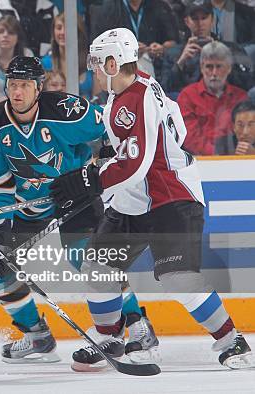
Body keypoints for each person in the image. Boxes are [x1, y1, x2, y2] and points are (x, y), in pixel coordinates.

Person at [51, 27, 252, 371]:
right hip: (134, 197)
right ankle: (110, 337)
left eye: (98, 64)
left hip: (170, 196)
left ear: (114, 63)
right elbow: (173, 132)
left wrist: (93, 178)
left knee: (177, 276)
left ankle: (230, 339)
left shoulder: (135, 98)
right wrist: (110, 155)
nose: (94, 71)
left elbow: (137, 161)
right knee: (98, 266)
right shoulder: (140, 84)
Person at [0, 55, 157, 364]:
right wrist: (2, 224)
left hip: (75, 197)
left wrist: (106, 155)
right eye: (12, 85)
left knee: (93, 260)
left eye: (24, 86)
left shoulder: (66, 111)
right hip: (28, 207)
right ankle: (36, 335)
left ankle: (137, 325)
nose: (17, 93)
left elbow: (113, 127)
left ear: (38, 87)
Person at [160, 0, 252, 96]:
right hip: (188, 103)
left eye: (204, 18)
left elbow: (247, 83)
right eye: (195, 18)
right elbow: (164, 88)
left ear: (212, 20)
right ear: (187, 21)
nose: (200, 23)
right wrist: (180, 62)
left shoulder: (231, 48)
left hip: (224, 101)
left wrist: (222, 58)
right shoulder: (173, 53)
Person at [177, 41, 248, 155]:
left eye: (219, 66)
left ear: (229, 68)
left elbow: (246, 133)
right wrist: (217, 154)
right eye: (209, 67)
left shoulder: (241, 97)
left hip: (235, 160)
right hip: (200, 161)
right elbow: (190, 137)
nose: (214, 73)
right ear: (201, 68)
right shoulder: (187, 96)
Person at [40, 13, 101, 99]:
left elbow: (98, 98)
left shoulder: (91, 61)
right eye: (59, 28)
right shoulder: (45, 63)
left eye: (68, 28)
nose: (63, 32)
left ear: (78, 32)